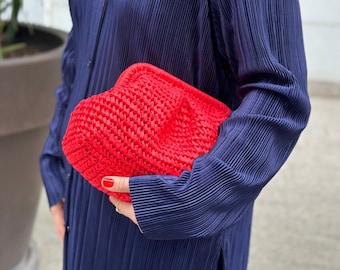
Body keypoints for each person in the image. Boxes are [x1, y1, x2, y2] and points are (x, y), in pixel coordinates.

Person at [40, 0, 311, 269]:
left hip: (176, 239)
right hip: (83, 203)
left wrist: (192, 199)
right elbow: (80, 49)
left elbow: (278, 90)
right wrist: (55, 163)